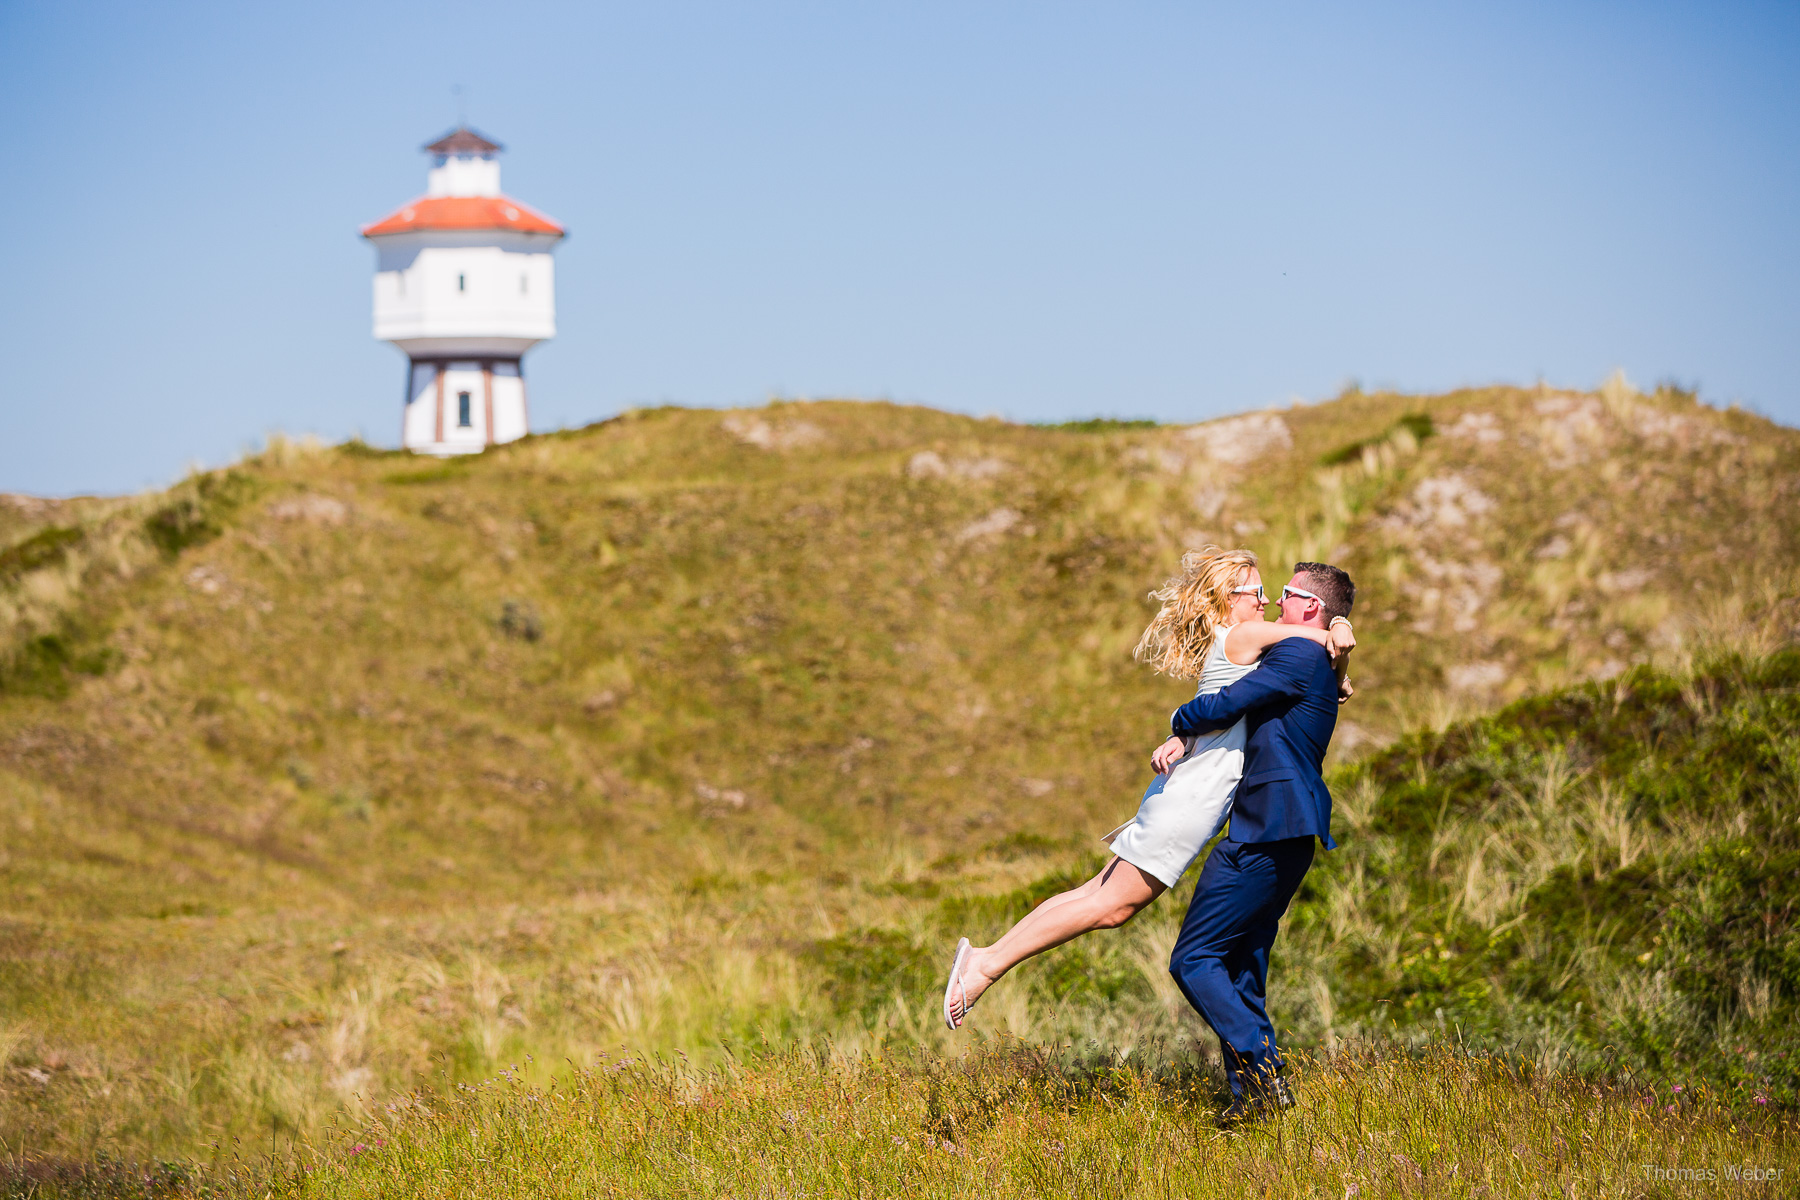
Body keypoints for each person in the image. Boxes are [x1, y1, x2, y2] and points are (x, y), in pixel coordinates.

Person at [942, 547, 1354, 1030]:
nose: (1265, 602)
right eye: (1259, 593)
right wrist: (1340, 628)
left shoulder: (1244, 640)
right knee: (1111, 906)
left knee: (1095, 891)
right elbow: (1312, 633)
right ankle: (985, 970)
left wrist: (1183, 735)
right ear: (1230, 598)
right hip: (1192, 799)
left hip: (1185, 789)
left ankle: (986, 958)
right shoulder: (1244, 634)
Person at [1164, 561, 1355, 1122]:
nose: (1276, 605)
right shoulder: (1316, 651)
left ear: (1312, 607)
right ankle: (1252, 1103)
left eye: (1289, 595)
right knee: (1243, 962)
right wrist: (1341, 648)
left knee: (1194, 959)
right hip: (1291, 829)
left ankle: (1265, 1072)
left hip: (1267, 823)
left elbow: (1222, 704)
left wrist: (1179, 722)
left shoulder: (1297, 653)